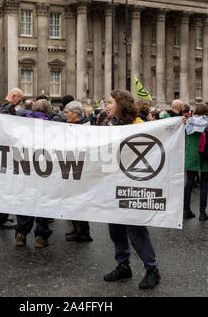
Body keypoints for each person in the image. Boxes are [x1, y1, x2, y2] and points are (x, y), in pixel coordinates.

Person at [103, 89, 160, 290]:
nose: (107, 106)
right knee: (115, 228)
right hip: (112, 185)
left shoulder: (140, 126)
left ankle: (152, 269)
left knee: (136, 230)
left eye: (110, 102)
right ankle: (123, 265)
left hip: (133, 186)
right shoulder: (109, 125)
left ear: (121, 104)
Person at [15, 99, 53, 248]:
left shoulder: (23, 123)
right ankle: (41, 237)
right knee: (43, 201)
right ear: (47, 110)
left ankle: (21, 234)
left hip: (26, 168)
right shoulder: (52, 125)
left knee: (25, 200)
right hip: (45, 168)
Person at [0, 88, 24, 229]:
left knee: (1, 186)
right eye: (20, 99)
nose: (20, 102)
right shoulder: (9, 108)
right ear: (14, 96)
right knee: (5, 187)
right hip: (6, 153)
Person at [63, 101, 93, 242]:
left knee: (78, 202)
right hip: (72, 167)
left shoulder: (83, 128)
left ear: (75, 114)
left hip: (79, 169)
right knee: (73, 201)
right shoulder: (76, 125)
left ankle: (83, 234)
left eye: (67, 112)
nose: (64, 114)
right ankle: (78, 230)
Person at [182, 103, 208, 221]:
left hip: (192, 154)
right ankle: (202, 212)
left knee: (189, 182)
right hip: (206, 154)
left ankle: (186, 210)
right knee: (204, 183)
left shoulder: (187, 122)